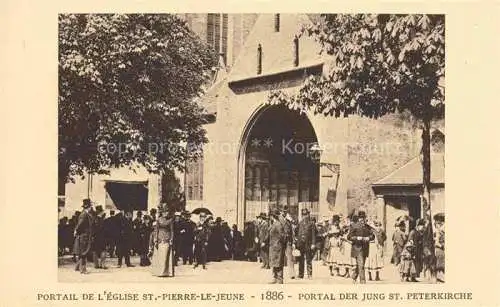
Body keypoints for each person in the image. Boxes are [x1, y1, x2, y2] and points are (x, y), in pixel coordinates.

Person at [347, 210, 375, 284]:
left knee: (360, 265)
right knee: (361, 264)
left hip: (365, 248)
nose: (362, 219)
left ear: (365, 218)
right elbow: (349, 237)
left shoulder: (368, 227)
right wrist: (356, 238)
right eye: (360, 218)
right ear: (358, 218)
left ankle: (354, 276)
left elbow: (373, 236)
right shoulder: (353, 226)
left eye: (363, 218)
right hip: (357, 248)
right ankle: (363, 281)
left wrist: (369, 238)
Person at [149, 204, 174, 277]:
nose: (166, 213)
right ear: (162, 213)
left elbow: (172, 231)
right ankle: (159, 272)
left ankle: (165, 272)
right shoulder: (158, 220)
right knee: (160, 256)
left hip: (167, 238)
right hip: (160, 238)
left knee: (165, 256)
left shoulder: (170, 220)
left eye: (167, 212)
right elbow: (156, 230)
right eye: (164, 212)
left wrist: (171, 239)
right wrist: (155, 239)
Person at [73, 199, 94, 274]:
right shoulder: (84, 214)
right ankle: (83, 269)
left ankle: (77, 267)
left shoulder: (86, 214)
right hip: (84, 236)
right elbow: (80, 225)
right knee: (84, 252)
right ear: (88, 207)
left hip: (85, 236)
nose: (91, 208)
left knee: (83, 252)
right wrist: (76, 231)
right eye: (90, 206)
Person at [296, 208, 316, 279]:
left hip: (308, 244)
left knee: (308, 259)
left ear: (308, 214)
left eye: (306, 214)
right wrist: (297, 242)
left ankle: (309, 274)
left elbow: (314, 234)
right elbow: (297, 233)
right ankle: (300, 274)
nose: (305, 216)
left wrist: (313, 243)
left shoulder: (311, 223)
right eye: (303, 215)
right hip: (301, 244)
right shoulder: (300, 223)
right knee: (301, 260)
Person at [268, 209, 286, 284]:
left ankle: (280, 279)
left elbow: (283, 236)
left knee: (278, 263)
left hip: (277, 246)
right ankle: (275, 278)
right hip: (273, 246)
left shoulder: (278, 224)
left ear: (272, 216)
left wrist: (279, 243)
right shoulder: (274, 224)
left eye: (270, 216)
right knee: (274, 262)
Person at [283, 210, 296, 279]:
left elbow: (292, 234)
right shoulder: (286, 224)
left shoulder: (290, 225)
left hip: (288, 243)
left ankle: (291, 273)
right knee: (290, 259)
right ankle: (291, 273)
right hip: (287, 242)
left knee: (290, 259)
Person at [434, 214, 445, 282]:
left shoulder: (440, 231)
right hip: (439, 249)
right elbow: (437, 242)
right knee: (440, 263)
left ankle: (440, 277)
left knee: (441, 263)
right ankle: (439, 277)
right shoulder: (438, 232)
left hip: (441, 249)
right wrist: (442, 246)